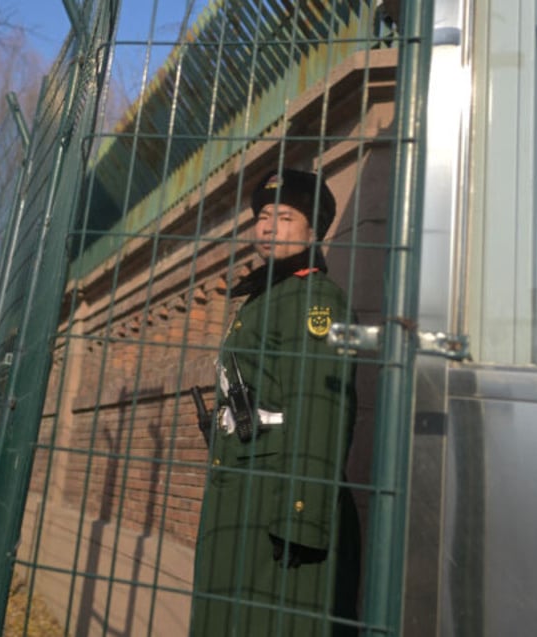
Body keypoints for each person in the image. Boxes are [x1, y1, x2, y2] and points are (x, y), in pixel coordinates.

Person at [191, 168, 360, 636]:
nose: (266, 226)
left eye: (284, 217)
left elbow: (321, 410)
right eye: (263, 216)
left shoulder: (314, 301)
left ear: (313, 229)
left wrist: (300, 516)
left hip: (277, 505)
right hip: (242, 496)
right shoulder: (267, 296)